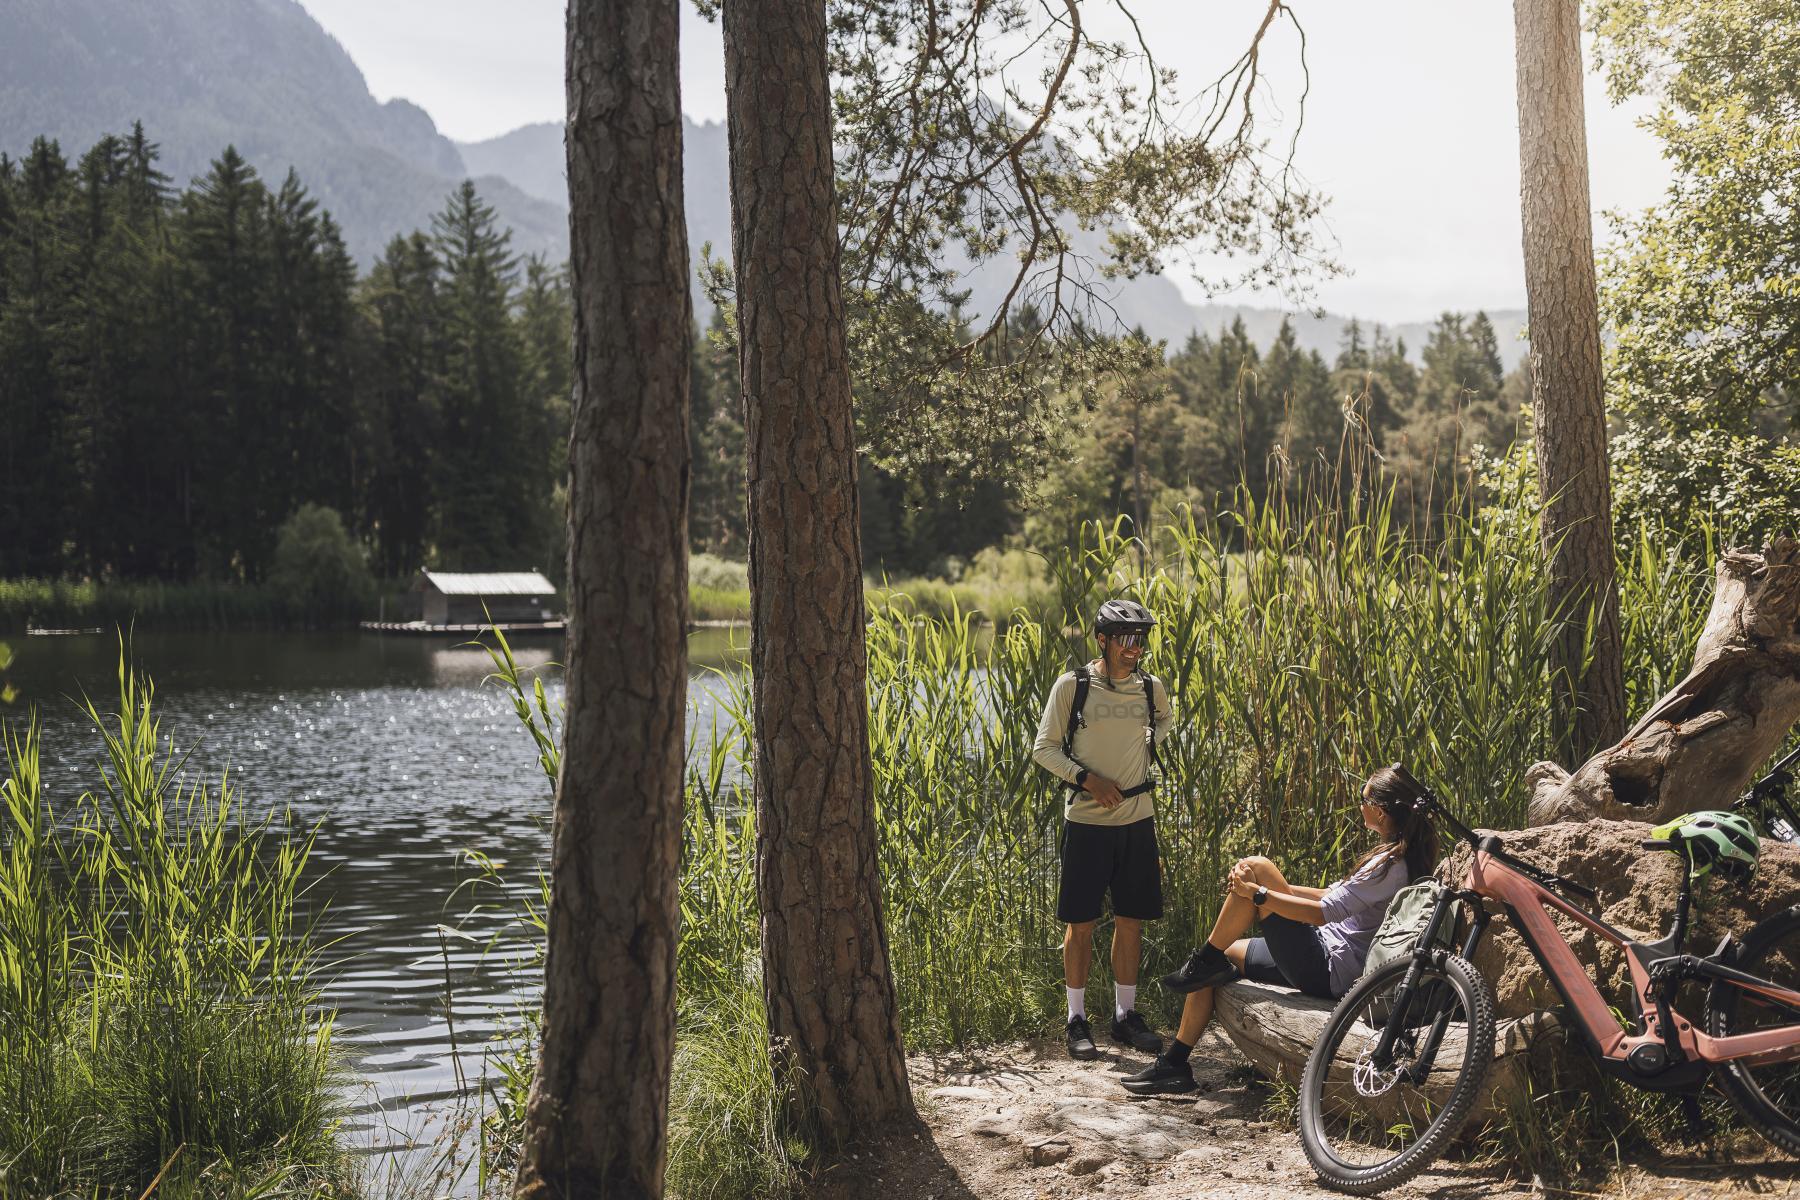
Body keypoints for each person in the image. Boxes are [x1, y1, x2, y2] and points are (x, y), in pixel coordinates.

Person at [1120, 765, 1439, 1095]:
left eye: (1364, 799)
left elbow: (1321, 914)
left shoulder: (1388, 866)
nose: (1360, 805)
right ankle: (1175, 1064)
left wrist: (1258, 892)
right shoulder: (1402, 858)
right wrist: (1265, 890)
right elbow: (1330, 896)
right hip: (1323, 951)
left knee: (1258, 866)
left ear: (1381, 812)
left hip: (1329, 968)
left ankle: (1203, 960)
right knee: (1223, 956)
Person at [1032, 598, 1173, 1060]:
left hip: (1137, 820)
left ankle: (1124, 1016)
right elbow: (1044, 749)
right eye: (1126, 640)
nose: (1135, 649)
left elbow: (1162, 725)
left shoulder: (1152, 689)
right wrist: (1088, 778)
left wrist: (1139, 755)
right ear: (1103, 641)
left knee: (1131, 919)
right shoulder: (1072, 687)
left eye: (1141, 640)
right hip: (1088, 822)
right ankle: (1075, 1019)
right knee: (1082, 923)